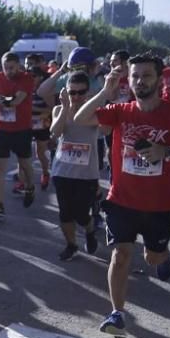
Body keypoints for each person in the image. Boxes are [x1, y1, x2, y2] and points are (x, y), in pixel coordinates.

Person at [73, 54, 170, 335]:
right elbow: (80, 118)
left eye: (146, 75)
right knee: (121, 255)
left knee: (152, 258)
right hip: (122, 200)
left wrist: (167, 151)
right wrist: (105, 91)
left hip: (160, 204)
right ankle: (117, 313)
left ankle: (162, 257)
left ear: (160, 80)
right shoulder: (121, 110)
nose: (140, 81)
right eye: (135, 76)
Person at [49, 71, 101, 261]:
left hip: (86, 173)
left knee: (80, 214)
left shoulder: (94, 112)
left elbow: (105, 128)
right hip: (62, 171)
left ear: (88, 93)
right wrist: (64, 107)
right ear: (67, 92)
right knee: (65, 213)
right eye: (73, 92)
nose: (77, 97)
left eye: (81, 92)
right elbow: (55, 132)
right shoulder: (58, 110)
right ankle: (71, 245)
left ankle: (89, 230)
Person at [0, 52, 36, 217]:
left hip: (21, 128)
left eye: (12, 68)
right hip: (3, 128)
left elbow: (16, 101)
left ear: (18, 66)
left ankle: (30, 187)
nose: (8, 71)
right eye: (6, 68)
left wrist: (0, 99)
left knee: (24, 163)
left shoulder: (26, 78)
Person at [26, 55, 53, 192]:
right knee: (24, 153)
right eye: (29, 76)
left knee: (40, 153)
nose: (31, 79)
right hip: (28, 124)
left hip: (42, 124)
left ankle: (45, 173)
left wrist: (35, 110)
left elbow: (50, 109)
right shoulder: (26, 90)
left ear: (40, 77)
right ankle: (23, 180)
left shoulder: (44, 90)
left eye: (34, 77)